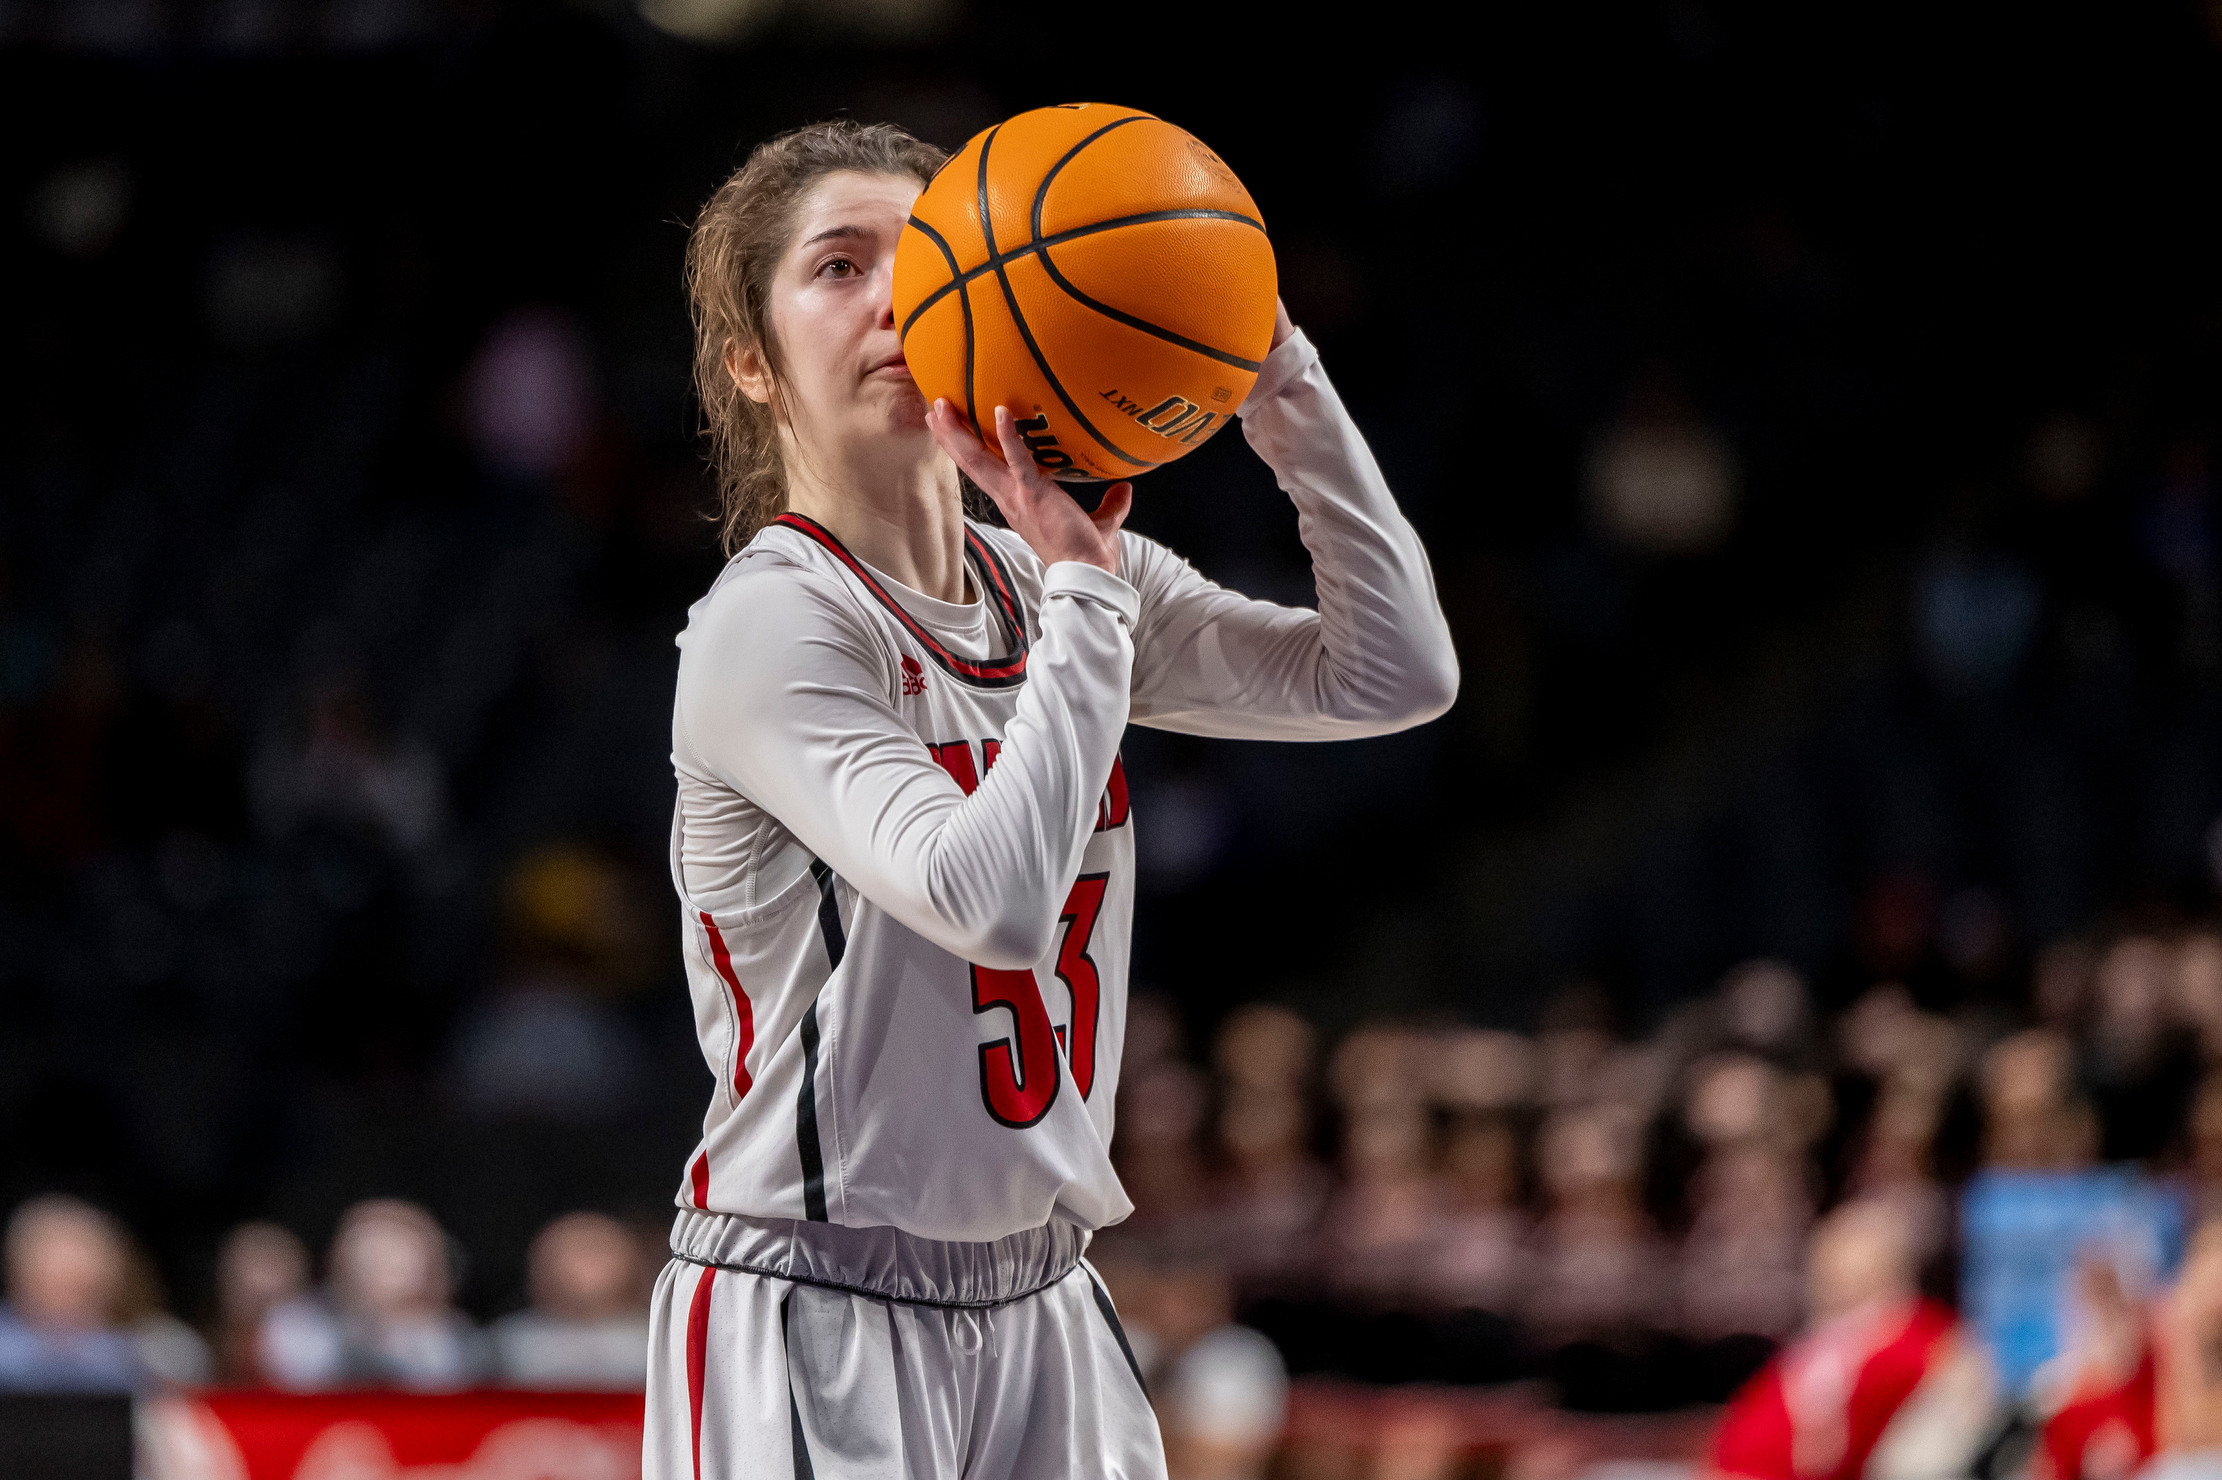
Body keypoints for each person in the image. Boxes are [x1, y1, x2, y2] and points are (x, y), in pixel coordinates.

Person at [647, 120, 1457, 1479]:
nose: (899, 296)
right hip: (812, 1299)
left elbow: (1393, 673)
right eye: (839, 268)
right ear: (750, 362)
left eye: (928, 257)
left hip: (1045, 1293)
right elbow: (991, 902)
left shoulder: (1063, 578)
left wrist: (1278, 381)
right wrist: (1085, 592)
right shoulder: (771, 624)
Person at [490, 1211, 652, 1389]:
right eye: (579, 1251)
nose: (589, 1263)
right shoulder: (507, 1342)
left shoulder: (657, 1338)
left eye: (599, 1250)